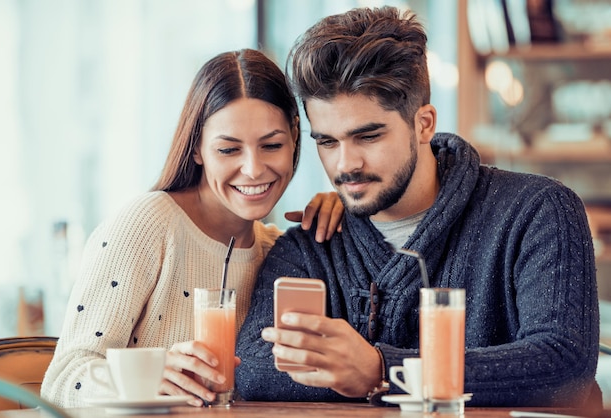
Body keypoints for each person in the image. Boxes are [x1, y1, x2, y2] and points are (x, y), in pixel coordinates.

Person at [235, 7, 601, 409]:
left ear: (424, 123)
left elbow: (563, 364)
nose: (345, 164)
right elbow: (253, 367)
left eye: (368, 136)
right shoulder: (310, 246)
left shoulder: (537, 211)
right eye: (327, 142)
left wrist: (382, 371)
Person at [41, 48, 343, 408]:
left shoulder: (278, 252)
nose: (253, 169)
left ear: (295, 136)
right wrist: (144, 377)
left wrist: (350, 215)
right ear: (197, 148)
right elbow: (61, 381)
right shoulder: (149, 225)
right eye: (229, 150)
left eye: (272, 145)